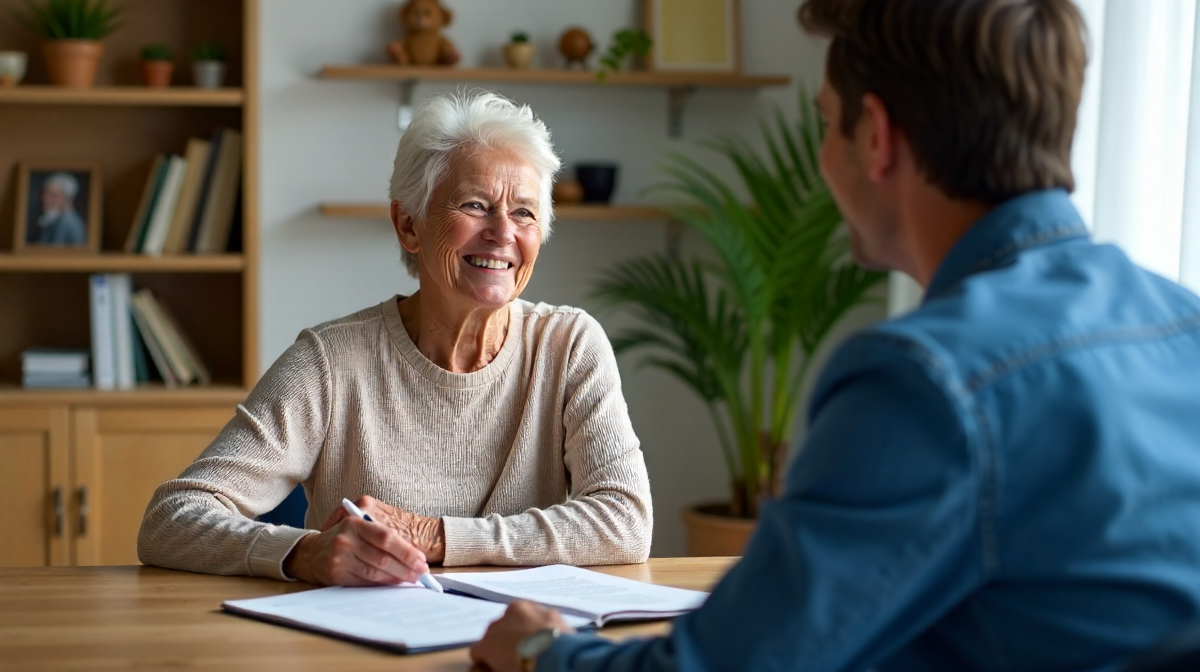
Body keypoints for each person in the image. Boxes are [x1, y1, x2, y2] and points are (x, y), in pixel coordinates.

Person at [470, 0, 1200, 670]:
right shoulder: (1183, 323)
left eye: (826, 123)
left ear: (875, 136)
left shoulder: (925, 380)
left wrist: (540, 651)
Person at [138, 91, 653, 586]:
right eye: (476, 205)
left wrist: (434, 536)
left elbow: (626, 521)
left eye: (524, 212)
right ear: (408, 225)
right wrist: (303, 553)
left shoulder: (569, 345)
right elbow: (171, 519)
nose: (503, 233)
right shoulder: (329, 361)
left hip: (519, 633)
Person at [31, 172, 86, 245]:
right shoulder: (49, 221)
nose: (45, 200)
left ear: (66, 198)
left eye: (53, 195)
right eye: (43, 194)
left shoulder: (70, 222)